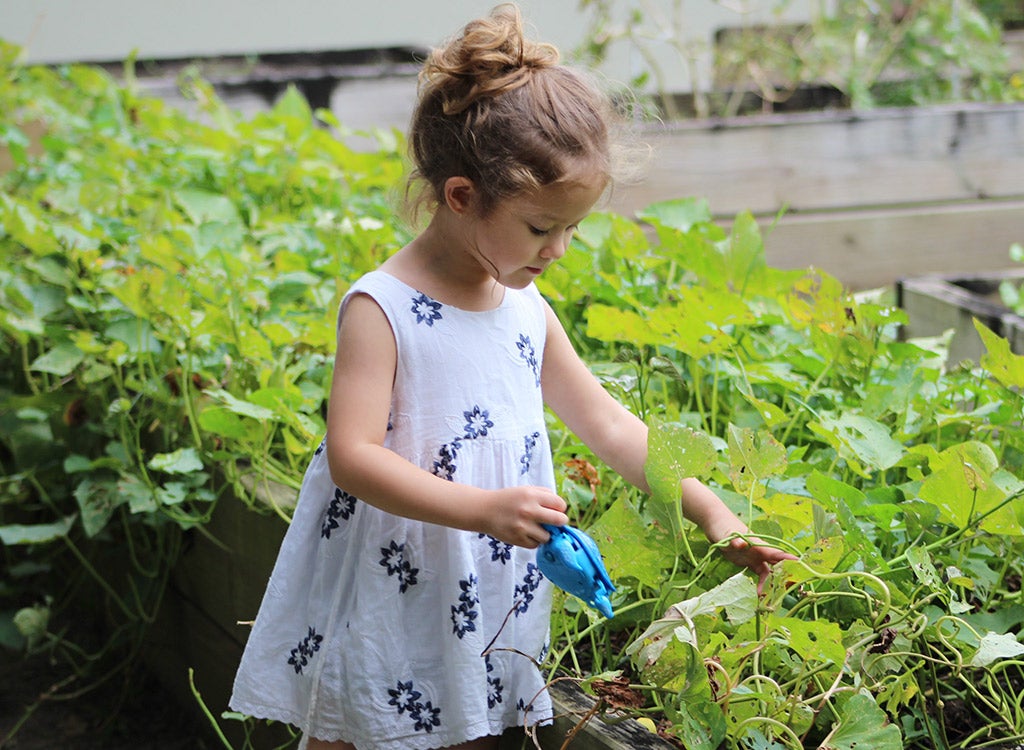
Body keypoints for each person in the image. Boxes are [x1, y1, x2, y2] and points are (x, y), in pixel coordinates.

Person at [229, 5, 794, 749]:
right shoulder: (383, 308)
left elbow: (610, 425)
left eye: (573, 229)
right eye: (540, 228)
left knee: (470, 723)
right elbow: (353, 457)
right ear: (461, 196)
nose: (558, 249)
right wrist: (483, 509)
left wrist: (715, 514)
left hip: (481, 582)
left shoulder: (525, 308)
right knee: (356, 723)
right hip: (398, 572)